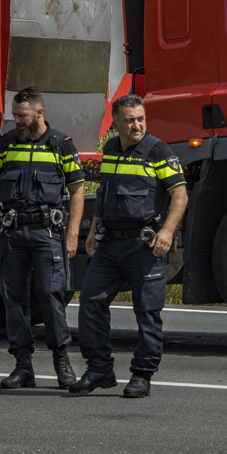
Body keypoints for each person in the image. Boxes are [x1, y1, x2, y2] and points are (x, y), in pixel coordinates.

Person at [0, 87, 84, 389]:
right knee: (14, 298)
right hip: (13, 232)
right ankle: (22, 365)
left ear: (39, 113)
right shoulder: (6, 143)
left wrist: (72, 236)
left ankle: (61, 361)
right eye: (14, 115)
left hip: (47, 233)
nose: (16, 120)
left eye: (22, 115)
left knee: (50, 294)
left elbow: (77, 190)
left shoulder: (60, 144)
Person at [70, 94, 188, 398]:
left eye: (141, 119)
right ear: (116, 123)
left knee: (147, 312)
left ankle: (142, 375)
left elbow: (180, 195)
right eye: (130, 120)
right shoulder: (110, 148)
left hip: (144, 246)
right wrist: (94, 230)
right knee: (91, 303)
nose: (137, 125)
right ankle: (99, 369)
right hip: (110, 245)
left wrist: (167, 231)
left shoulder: (158, 150)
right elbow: (106, 193)